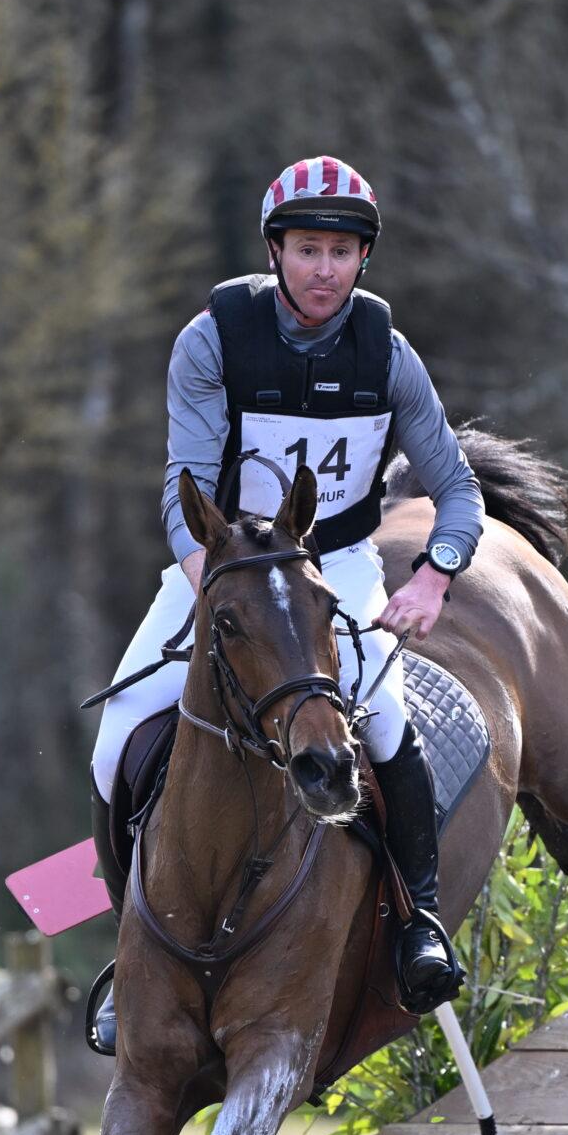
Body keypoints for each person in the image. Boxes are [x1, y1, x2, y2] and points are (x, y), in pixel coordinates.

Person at [82, 156, 484, 1055]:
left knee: (383, 722)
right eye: (307, 249)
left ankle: (418, 924)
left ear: (363, 258)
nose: (324, 270)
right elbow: (183, 492)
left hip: (333, 564)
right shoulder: (212, 340)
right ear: (275, 251)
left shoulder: (388, 353)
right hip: (222, 565)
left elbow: (458, 491)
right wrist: (219, 589)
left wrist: (434, 574)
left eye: (341, 252)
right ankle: (130, 954)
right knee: (117, 736)